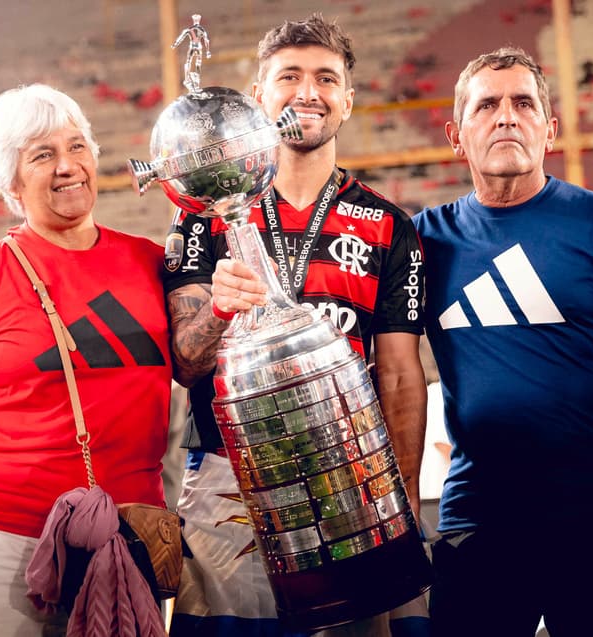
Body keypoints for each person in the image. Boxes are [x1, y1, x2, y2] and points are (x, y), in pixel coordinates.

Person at [412, 47, 593, 637]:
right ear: (455, 134)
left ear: (549, 129)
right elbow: (385, 367)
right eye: (487, 105)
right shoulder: (422, 239)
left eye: (524, 103)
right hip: (481, 514)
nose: (506, 117)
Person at [162, 14, 427, 637]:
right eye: (289, 76)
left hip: (354, 482)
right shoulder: (204, 218)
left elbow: (398, 375)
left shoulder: (390, 227)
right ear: (259, 96)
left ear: (348, 100)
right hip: (229, 483)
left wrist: (404, 498)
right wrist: (219, 311)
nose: (308, 92)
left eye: (326, 79)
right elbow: (184, 362)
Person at [0, 84, 174, 637]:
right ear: (12, 182)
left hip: (126, 536)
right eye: (43, 155)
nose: (68, 167)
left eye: (77, 147)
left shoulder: (152, 262)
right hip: (1, 540)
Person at [172, 14, 211, 93]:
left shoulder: (191, 30)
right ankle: (190, 80)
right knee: (192, 62)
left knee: (192, 62)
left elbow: (206, 40)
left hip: (194, 47)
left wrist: (175, 44)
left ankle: (191, 81)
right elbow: (206, 40)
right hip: (196, 47)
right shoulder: (200, 30)